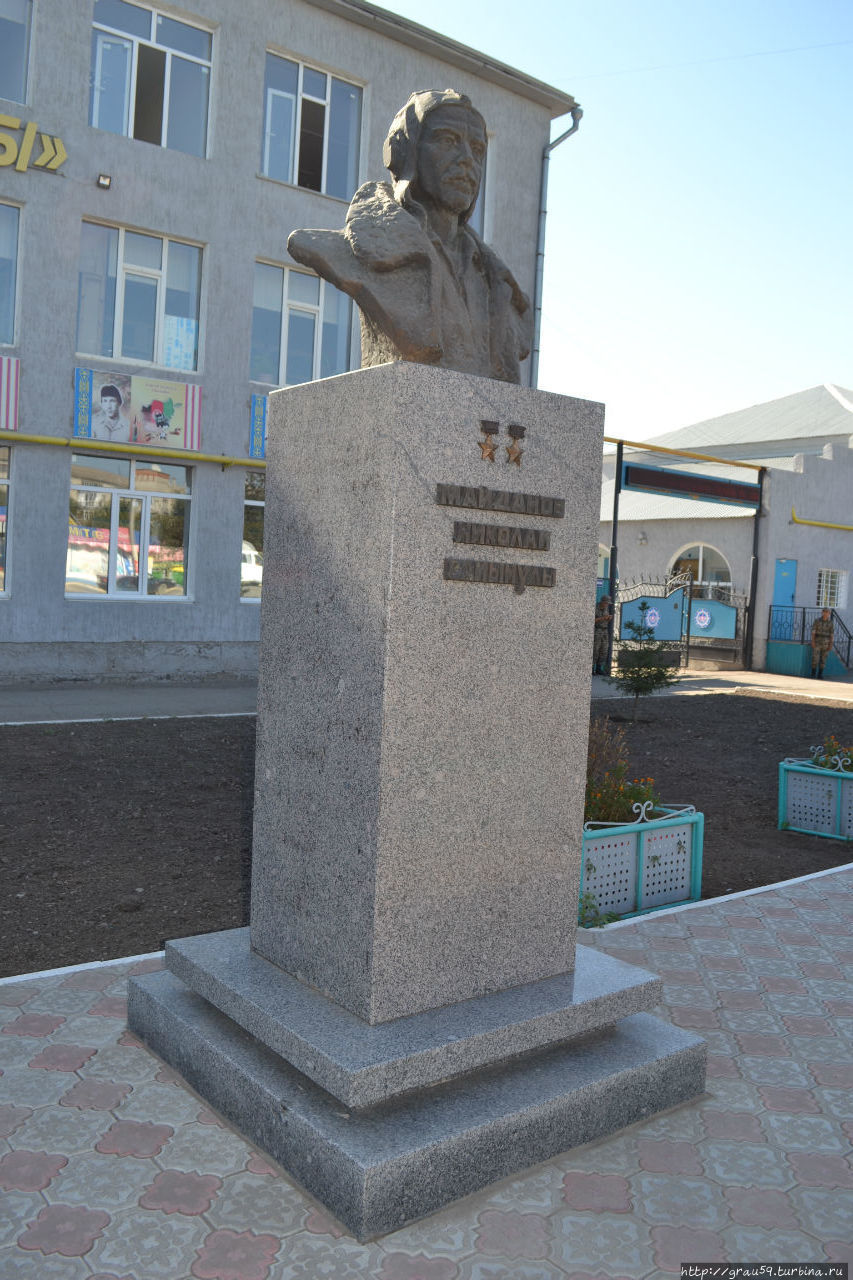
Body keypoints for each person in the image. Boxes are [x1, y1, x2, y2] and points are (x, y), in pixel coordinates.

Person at [287, 89, 532, 384]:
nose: (467, 159)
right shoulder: (345, 252)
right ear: (405, 152)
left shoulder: (502, 287)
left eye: (477, 149)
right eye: (447, 140)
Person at [810, 607, 834, 678]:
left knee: (823, 659)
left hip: (826, 643)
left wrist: (830, 644)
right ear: (822, 612)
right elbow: (813, 632)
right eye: (824, 612)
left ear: (829, 614)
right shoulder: (817, 621)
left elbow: (831, 634)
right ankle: (813, 674)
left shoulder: (830, 623)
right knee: (815, 658)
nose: (826, 613)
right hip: (817, 641)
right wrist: (813, 641)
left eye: (827, 612)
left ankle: (820, 674)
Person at [593, 595, 613, 675]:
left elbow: (605, 619)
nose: (607, 605)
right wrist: (603, 618)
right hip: (597, 630)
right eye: (606, 603)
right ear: (602, 602)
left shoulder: (606, 609)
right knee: (595, 650)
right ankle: (591, 669)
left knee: (604, 649)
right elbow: (592, 620)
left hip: (604, 631)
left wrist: (608, 618)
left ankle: (599, 668)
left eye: (608, 603)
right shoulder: (595, 608)